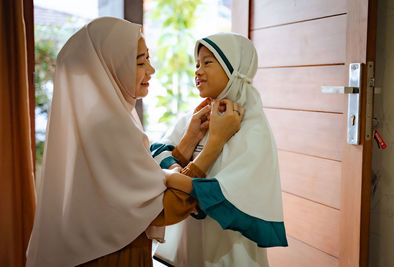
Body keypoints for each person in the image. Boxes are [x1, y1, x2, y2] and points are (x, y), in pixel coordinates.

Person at [26, 17, 244, 267]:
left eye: (148, 59)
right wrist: (215, 142)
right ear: (110, 68)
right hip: (115, 256)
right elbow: (163, 206)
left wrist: (188, 142)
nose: (151, 70)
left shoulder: (98, 118)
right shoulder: (110, 127)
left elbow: (139, 184)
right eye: (141, 61)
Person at [153, 33, 288, 267]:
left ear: (234, 68)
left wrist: (169, 177)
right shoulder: (194, 118)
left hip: (229, 251)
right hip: (191, 244)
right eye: (196, 64)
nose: (197, 71)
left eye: (207, 62)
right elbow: (159, 152)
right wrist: (176, 173)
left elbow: (228, 194)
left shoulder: (252, 127)